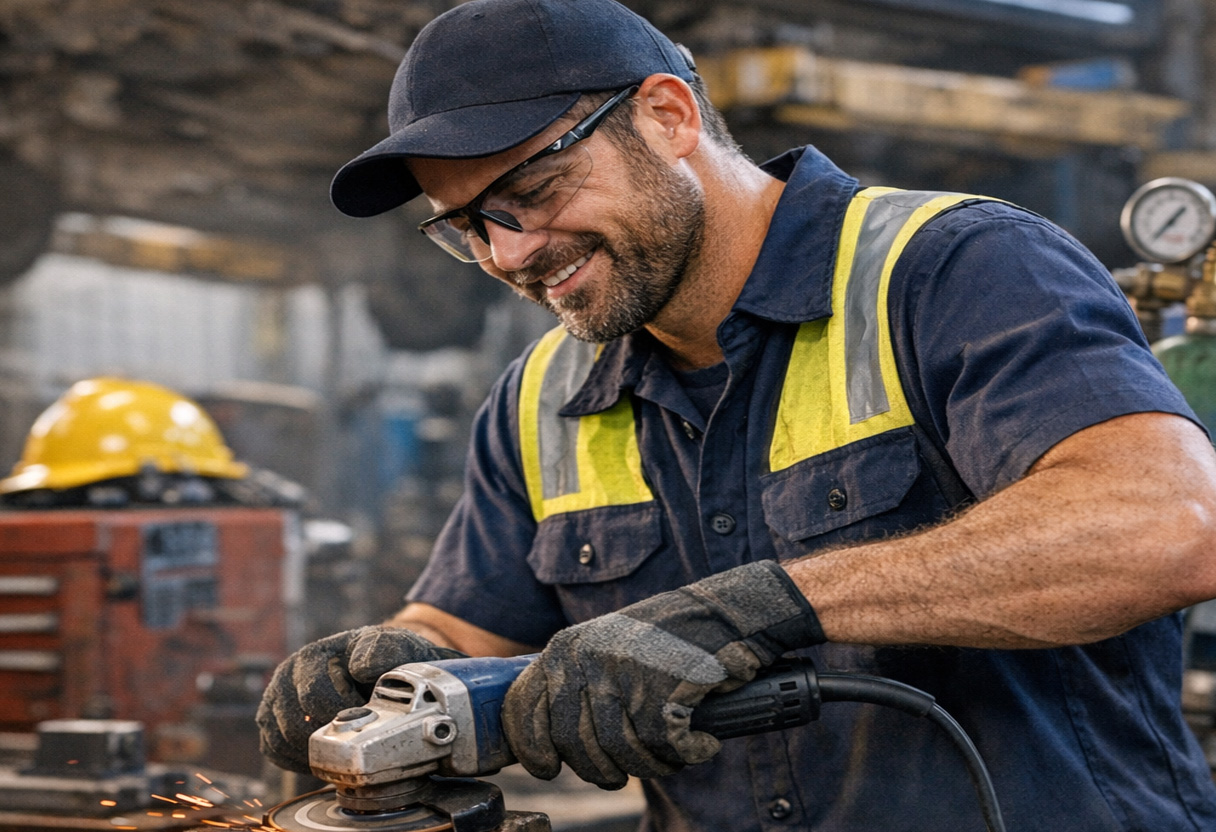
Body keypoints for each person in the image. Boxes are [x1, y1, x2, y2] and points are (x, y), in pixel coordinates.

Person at [256, 0, 1216, 829]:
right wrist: (401, 664)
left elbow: (1163, 526)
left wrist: (765, 605)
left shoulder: (952, 272)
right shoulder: (541, 394)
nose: (508, 255)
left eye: (533, 193)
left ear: (667, 117)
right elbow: (474, 624)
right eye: (467, 227)